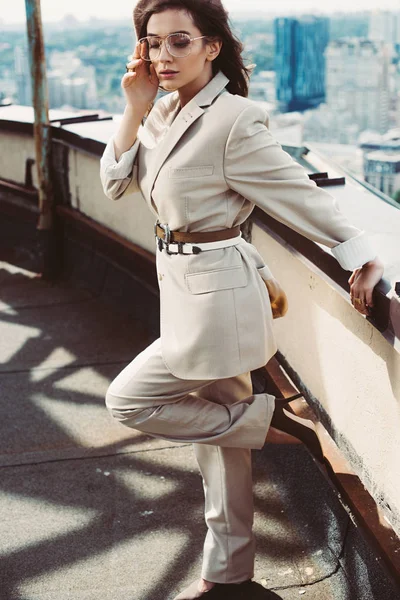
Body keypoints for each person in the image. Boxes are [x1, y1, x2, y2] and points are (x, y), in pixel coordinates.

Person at [99, 1, 385, 597]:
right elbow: (115, 182)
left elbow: (296, 194)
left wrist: (359, 252)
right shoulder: (161, 111)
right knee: (219, 450)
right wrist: (134, 107)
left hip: (218, 296)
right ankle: (228, 575)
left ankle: (264, 418)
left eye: (180, 41)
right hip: (182, 289)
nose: (164, 55)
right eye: (153, 43)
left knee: (127, 400)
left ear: (212, 47)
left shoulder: (232, 119)